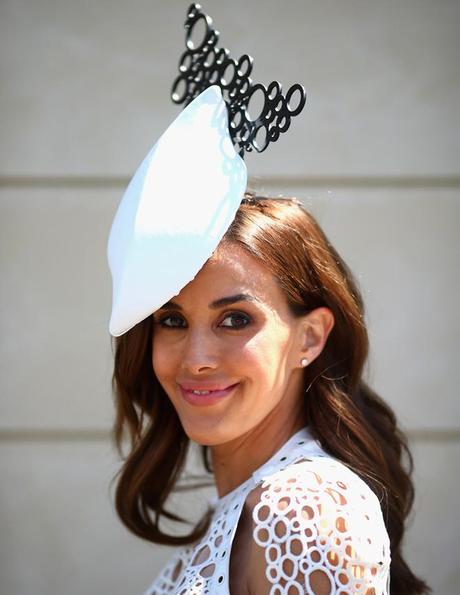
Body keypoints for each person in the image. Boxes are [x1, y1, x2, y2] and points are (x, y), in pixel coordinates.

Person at [106, 5, 430, 593]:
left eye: (235, 318)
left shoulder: (302, 516)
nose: (195, 356)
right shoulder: (246, 509)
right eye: (171, 319)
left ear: (310, 336)